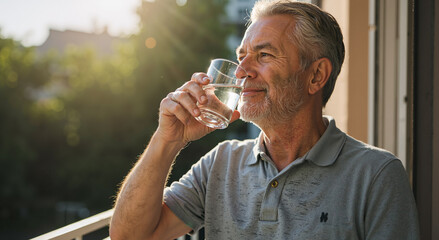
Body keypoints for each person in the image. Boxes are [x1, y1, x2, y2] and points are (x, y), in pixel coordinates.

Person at [110, 0, 420, 239]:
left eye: (264, 55)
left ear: (316, 76)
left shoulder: (377, 175)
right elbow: (129, 236)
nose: (242, 71)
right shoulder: (221, 162)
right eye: (241, 55)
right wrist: (167, 140)